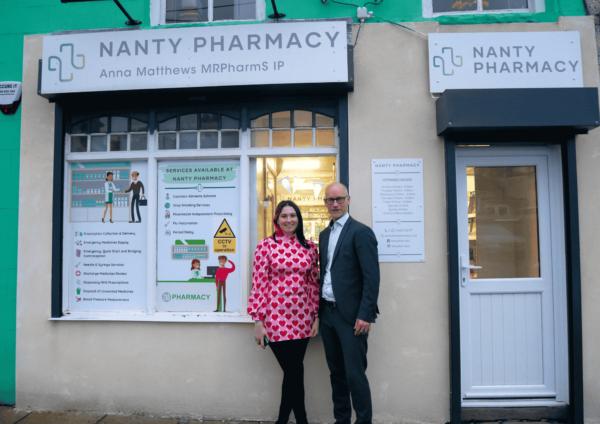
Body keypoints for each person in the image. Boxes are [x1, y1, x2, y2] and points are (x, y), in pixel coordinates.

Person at [248, 200, 320, 424]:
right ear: (277, 220)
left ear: (299, 219)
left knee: (294, 371)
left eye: (293, 215)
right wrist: (258, 320)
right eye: (284, 216)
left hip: (303, 317)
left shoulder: (310, 248)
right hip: (275, 318)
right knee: (293, 371)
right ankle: (298, 419)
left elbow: (313, 283)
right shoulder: (266, 246)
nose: (289, 220)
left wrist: (316, 316)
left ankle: (290, 420)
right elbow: (259, 283)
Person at [318, 182, 380, 424]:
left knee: (355, 375)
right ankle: (341, 420)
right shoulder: (324, 235)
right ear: (325, 203)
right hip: (328, 314)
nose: (335, 204)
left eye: (339, 199)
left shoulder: (361, 232)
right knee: (336, 374)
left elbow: (371, 277)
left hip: (352, 318)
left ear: (348, 200)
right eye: (330, 200)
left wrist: (365, 315)